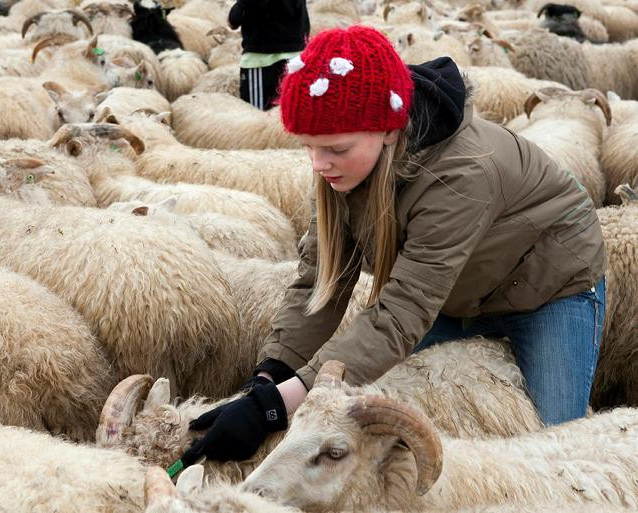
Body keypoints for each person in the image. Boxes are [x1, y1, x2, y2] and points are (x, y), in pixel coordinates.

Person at [181, 26, 607, 466]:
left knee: (552, 446)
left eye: (334, 148)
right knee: (383, 407)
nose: (318, 163)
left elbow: (403, 308)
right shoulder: (343, 168)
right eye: (308, 147)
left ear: (388, 130)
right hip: (455, 291)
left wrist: (275, 407)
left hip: (548, 288)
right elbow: (319, 281)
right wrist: (269, 379)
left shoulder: (462, 171)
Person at [228, 0, 310, 110]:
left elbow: (233, 21)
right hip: (295, 59)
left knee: (256, 116)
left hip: (261, 62)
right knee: (290, 114)